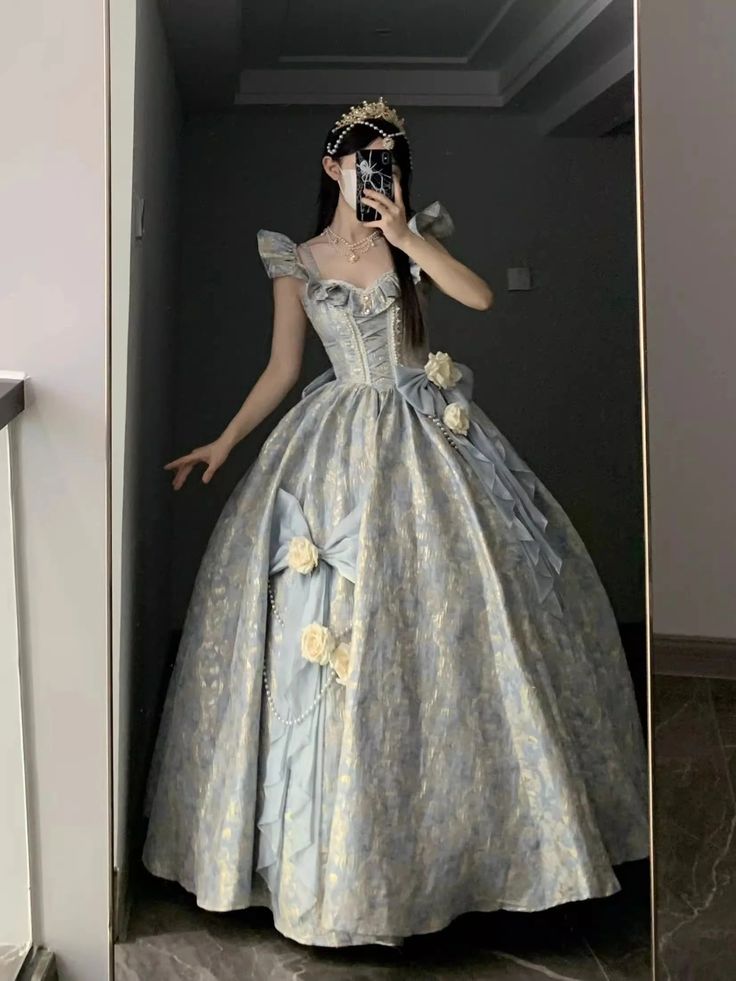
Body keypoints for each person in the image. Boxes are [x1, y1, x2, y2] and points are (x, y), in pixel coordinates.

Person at [141, 97, 649, 948]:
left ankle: (478, 859)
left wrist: (407, 236)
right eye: (363, 158)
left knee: (460, 624)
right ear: (332, 167)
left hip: (428, 438)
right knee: (332, 630)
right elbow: (282, 367)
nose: (377, 171)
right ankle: (332, 869)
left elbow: (478, 297)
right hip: (335, 439)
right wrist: (225, 442)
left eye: (391, 159)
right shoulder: (298, 259)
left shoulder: (414, 239)